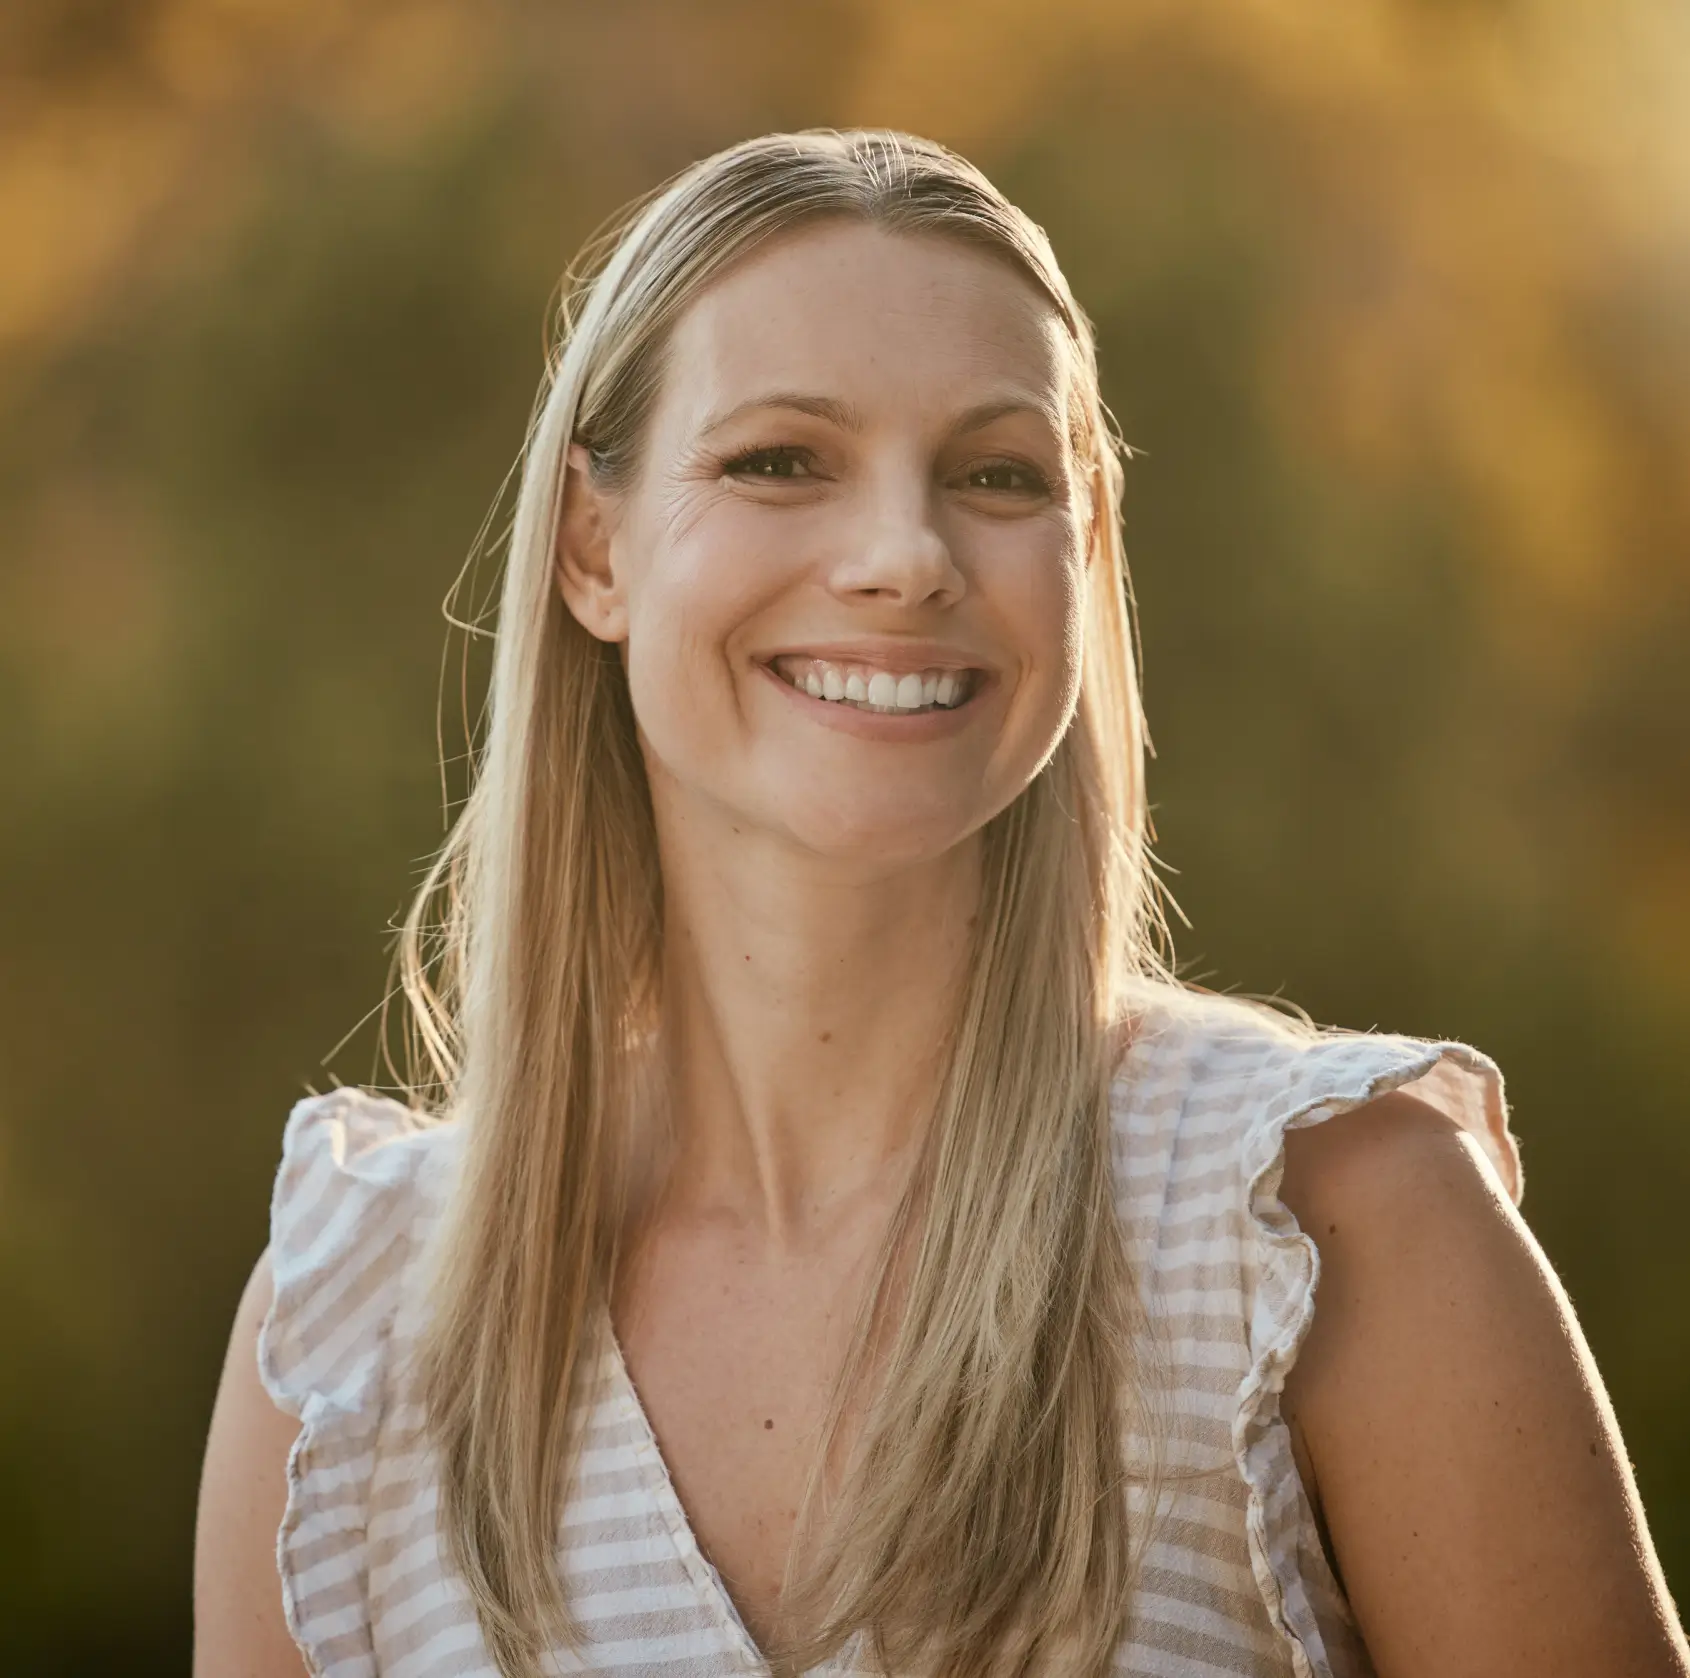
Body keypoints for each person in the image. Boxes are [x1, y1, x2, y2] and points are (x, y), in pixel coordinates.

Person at [193, 129, 1689, 1678]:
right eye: (780, 459)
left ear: (1084, 548)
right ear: (593, 547)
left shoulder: (1328, 1228)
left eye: (994, 474)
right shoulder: (348, 1340)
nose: (904, 557)